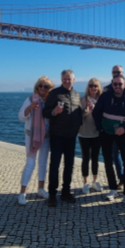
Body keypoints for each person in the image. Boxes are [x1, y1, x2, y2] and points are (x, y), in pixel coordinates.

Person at [92, 74, 125, 207]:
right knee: (108, 161)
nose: (118, 86)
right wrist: (100, 128)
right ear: (112, 85)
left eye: (120, 84)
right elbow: (96, 113)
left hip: (122, 133)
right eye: (115, 84)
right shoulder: (105, 96)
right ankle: (113, 189)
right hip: (106, 133)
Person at [43, 69, 83, 207]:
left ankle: (66, 191)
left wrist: (79, 125)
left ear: (74, 80)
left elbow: (79, 114)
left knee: (69, 166)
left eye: (69, 79)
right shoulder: (54, 93)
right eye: (65, 79)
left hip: (71, 136)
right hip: (57, 135)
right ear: (61, 80)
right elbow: (45, 112)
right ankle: (52, 194)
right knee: (54, 165)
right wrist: (54, 111)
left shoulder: (77, 95)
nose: (67, 81)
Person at [17, 76, 54, 205]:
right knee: (30, 163)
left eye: (46, 86)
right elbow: (21, 116)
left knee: (43, 163)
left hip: (46, 137)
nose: (43, 88)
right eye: (41, 86)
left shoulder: (50, 101)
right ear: (37, 87)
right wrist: (30, 107)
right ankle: (22, 193)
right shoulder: (31, 99)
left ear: (50, 88)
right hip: (32, 136)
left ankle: (41, 189)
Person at [79, 78, 102, 194]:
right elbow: (78, 118)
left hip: (97, 134)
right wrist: (86, 110)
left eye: (96, 86)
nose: (93, 88)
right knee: (85, 159)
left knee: (95, 158)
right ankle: (85, 182)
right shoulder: (83, 100)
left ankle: (95, 180)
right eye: (91, 86)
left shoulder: (102, 100)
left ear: (99, 88)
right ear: (88, 87)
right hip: (84, 134)